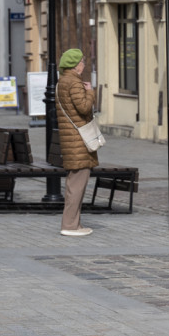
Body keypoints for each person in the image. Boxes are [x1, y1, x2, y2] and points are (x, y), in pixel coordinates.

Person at [55, 48, 97, 237]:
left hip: (71, 140)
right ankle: (70, 225)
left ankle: (74, 224)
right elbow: (84, 108)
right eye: (82, 62)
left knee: (75, 183)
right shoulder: (74, 83)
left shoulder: (63, 81)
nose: (84, 65)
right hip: (78, 141)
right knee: (77, 185)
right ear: (75, 64)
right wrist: (90, 93)